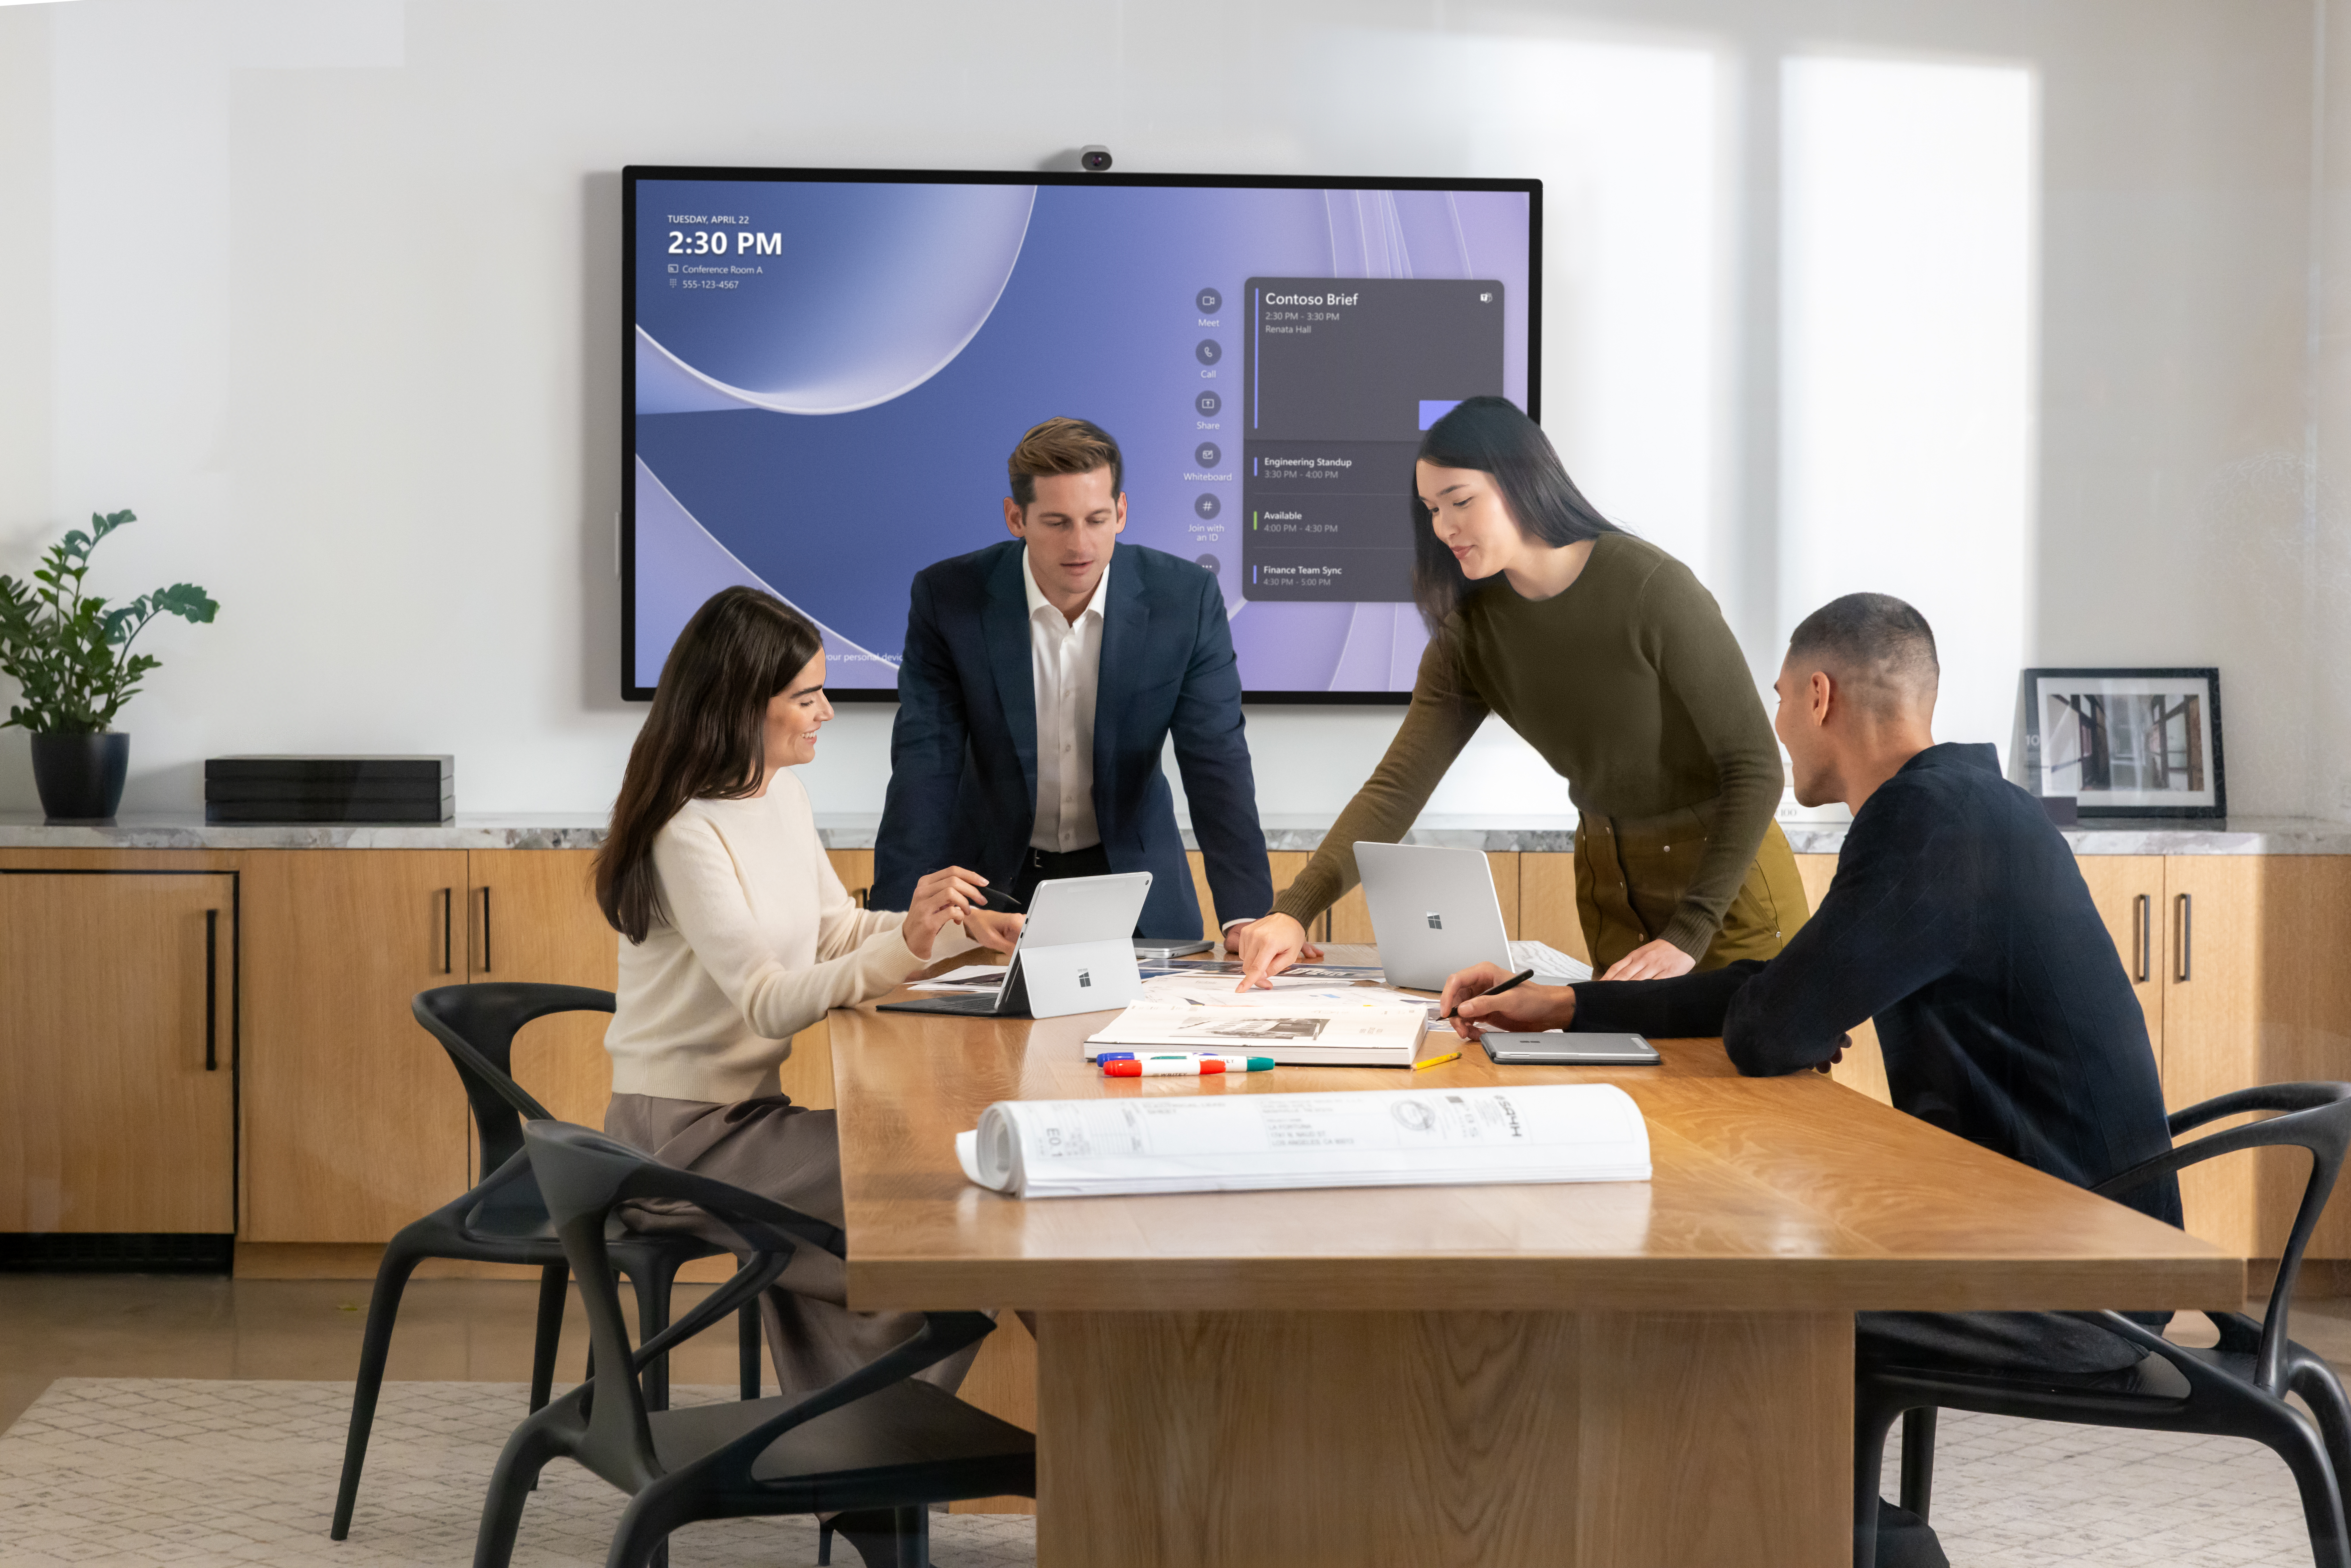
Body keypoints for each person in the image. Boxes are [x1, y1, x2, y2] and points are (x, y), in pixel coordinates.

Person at [1439, 592, 2181, 1568]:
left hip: (2073, 1285)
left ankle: (1864, 1547)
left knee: (1739, 1313)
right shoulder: (1957, 807)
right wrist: (1570, 1004)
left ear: (1819, 695)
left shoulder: (1927, 823)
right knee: (1740, 1290)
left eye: (1782, 698)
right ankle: (1856, 1539)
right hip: (2044, 1236)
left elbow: (1772, 1026)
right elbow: (1781, 997)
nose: (1778, 724)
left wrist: (1786, 1015)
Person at [591, 585, 1022, 1405]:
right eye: (806, 695)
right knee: (958, 1189)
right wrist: (908, 946)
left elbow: (832, 932)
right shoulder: (685, 830)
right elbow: (766, 1000)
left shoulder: (777, 791)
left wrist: (969, 928)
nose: (827, 710)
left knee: (949, 1191)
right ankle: (869, 1439)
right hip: (679, 1139)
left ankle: (857, 1439)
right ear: (739, 705)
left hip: (747, 1119)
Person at [1234, 396, 1806, 988]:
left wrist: (1689, 932)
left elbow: (1755, 766)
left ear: (1522, 481)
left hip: (1727, 904)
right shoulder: (1470, 632)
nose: (1442, 527)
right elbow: (1396, 788)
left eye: (1459, 501)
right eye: (1431, 509)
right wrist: (1293, 910)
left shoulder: (1653, 588)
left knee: (1748, 1082)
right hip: (1613, 897)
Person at [874, 416, 1273, 939]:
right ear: (1016, 518)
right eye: (1057, 522)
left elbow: (1215, 757)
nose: (1080, 545)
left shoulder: (1185, 599)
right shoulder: (950, 599)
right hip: (989, 890)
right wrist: (894, 926)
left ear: (1122, 513)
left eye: (1097, 519)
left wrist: (1246, 916)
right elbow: (927, 761)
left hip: (1135, 883)